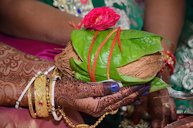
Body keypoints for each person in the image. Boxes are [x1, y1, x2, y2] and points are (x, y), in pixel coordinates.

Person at [0, 0, 186, 128]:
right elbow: (7, 7)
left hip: (144, 37)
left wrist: (158, 59)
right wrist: (100, 44)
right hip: (53, 44)